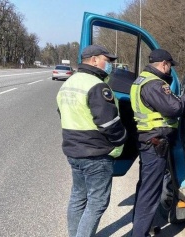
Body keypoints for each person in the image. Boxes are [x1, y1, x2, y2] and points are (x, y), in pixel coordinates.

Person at [56, 44, 127, 237]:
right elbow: (109, 123)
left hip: (73, 151)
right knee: (97, 203)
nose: (111, 64)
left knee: (78, 197)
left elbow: (62, 113)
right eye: (108, 60)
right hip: (95, 154)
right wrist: (122, 139)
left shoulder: (69, 83)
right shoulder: (97, 86)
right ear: (94, 60)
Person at [129, 49, 185, 237]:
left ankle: (142, 228)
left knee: (145, 187)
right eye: (169, 66)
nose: (169, 70)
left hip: (148, 140)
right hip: (155, 143)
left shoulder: (141, 80)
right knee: (150, 192)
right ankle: (140, 233)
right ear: (164, 64)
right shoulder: (154, 84)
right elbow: (174, 108)